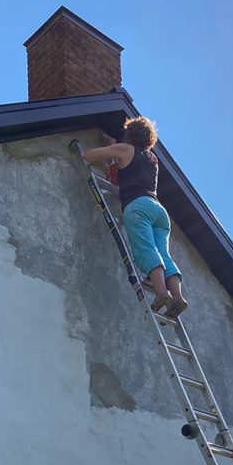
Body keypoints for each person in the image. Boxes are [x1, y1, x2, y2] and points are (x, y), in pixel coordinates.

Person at [83, 117, 188, 319]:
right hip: (159, 210)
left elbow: (88, 155)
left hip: (137, 206)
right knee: (164, 255)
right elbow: (131, 174)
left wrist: (110, 153)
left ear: (130, 134)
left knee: (145, 248)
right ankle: (177, 297)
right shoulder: (152, 159)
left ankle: (161, 293)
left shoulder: (125, 150)